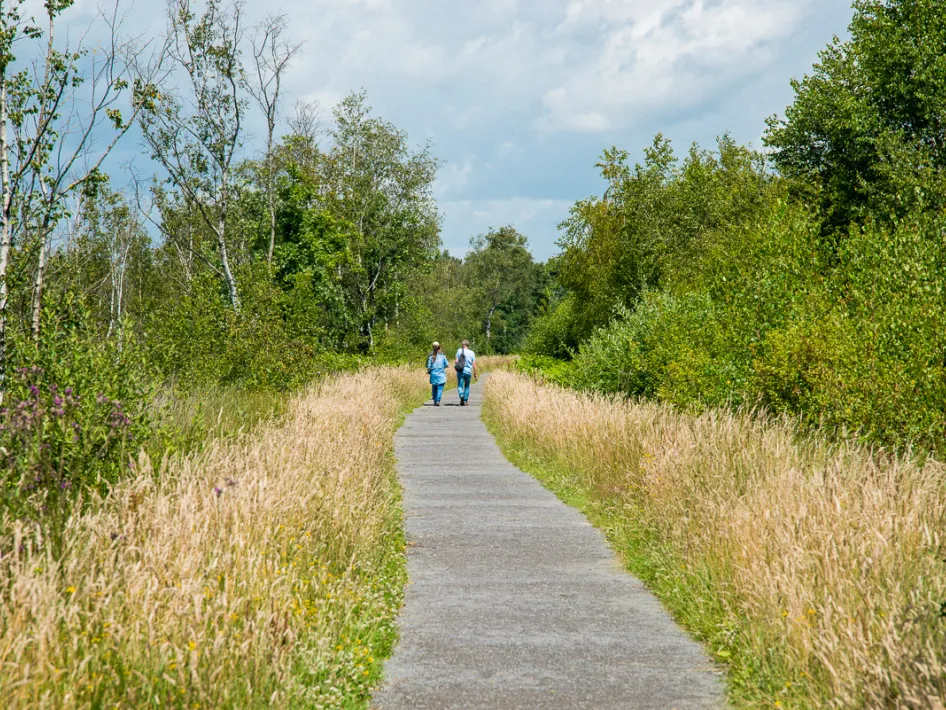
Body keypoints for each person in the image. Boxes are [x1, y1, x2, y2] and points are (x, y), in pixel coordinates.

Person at [454, 339, 478, 406]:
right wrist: (475, 373)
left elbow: (456, 361)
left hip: (460, 370)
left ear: (464, 345)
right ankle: (465, 400)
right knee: (467, 386)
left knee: (460, 385)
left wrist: (456, 368)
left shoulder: (459, 351)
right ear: (468, 345)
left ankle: (461, 395)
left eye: (462, 344)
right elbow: (474, 364)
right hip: (468, 371)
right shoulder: (472, 353)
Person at [426, 342, 449, 406]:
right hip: (441, 374)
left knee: (434, 388)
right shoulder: (443, 356)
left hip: (433, 374)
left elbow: (428, 366)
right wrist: (442, 367)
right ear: (439, 347)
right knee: (440, 388)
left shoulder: (431, 357)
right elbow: (447, 364)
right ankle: (438, 401)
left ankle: (435, 400)